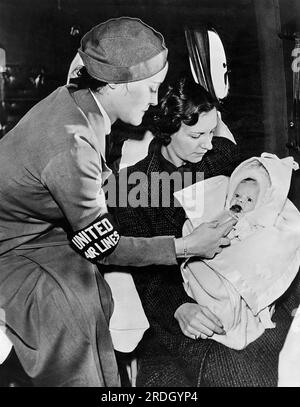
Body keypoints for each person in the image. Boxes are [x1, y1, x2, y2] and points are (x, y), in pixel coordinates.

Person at [0, 17, 236, 387]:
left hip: (40, 226)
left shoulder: (79, 99)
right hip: (12, 244)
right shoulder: (70, 146)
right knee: (72, 322)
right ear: (116, 85)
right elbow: (105, 247)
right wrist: (187, 245)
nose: (157, 102)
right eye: (152, 89)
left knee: (97, 299)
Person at [112, 77, 297, 386]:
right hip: (179, 305)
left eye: (212, 131)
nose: (209, 144)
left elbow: (268, 200)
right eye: (197, 134)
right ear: (167, 129)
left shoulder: (220, 156)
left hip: (248, 288)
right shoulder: (130, 186)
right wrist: (178, 307)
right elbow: (140, 268)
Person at [180, 153, 300, 350]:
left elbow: (254, 258)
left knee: (230, 296)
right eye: (237, 195)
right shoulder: (225, 214)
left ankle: (225, 315)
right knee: (197, 266)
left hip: (234, 273)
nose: (240, 201)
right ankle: (207, 303)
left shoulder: (258, 226)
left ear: (260, 204)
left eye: (249, 199)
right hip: (211, 261)